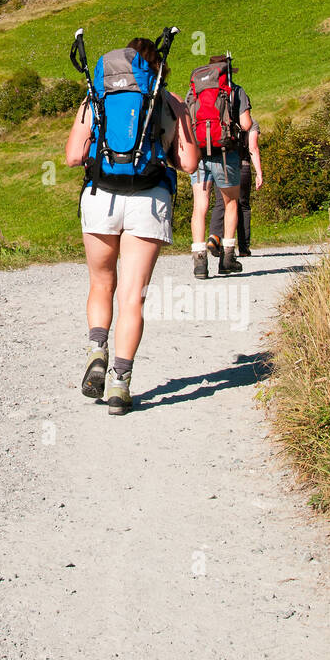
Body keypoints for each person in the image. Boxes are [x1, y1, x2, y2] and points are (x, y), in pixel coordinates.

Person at [65, 36, 199, 416]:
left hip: (100, 198)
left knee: (101, 283)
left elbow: (74, 156)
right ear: (157, 66)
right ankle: (120, 385)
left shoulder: (97, 96)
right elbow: (189, 164)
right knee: (131, 296)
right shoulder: (170, 101)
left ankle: (96, 351)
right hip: (149, 199)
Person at [187, 55, 254, 278]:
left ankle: (199, 262)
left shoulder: (196, 90)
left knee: (200, 206)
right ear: (227, 72)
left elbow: (187, 119)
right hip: (226, 154)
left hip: (198, 154)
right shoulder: (235, 90)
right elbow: (246, 124)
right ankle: (227, 258)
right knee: (231, 203)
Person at [207, 116, 262, 258]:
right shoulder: (251, 123)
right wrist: (259, 173)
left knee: (221, 203)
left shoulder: (220, 121)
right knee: (243, 206)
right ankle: (243, 248)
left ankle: (215, 237)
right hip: (242, 166)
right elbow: (253, 148)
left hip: (223, 166)